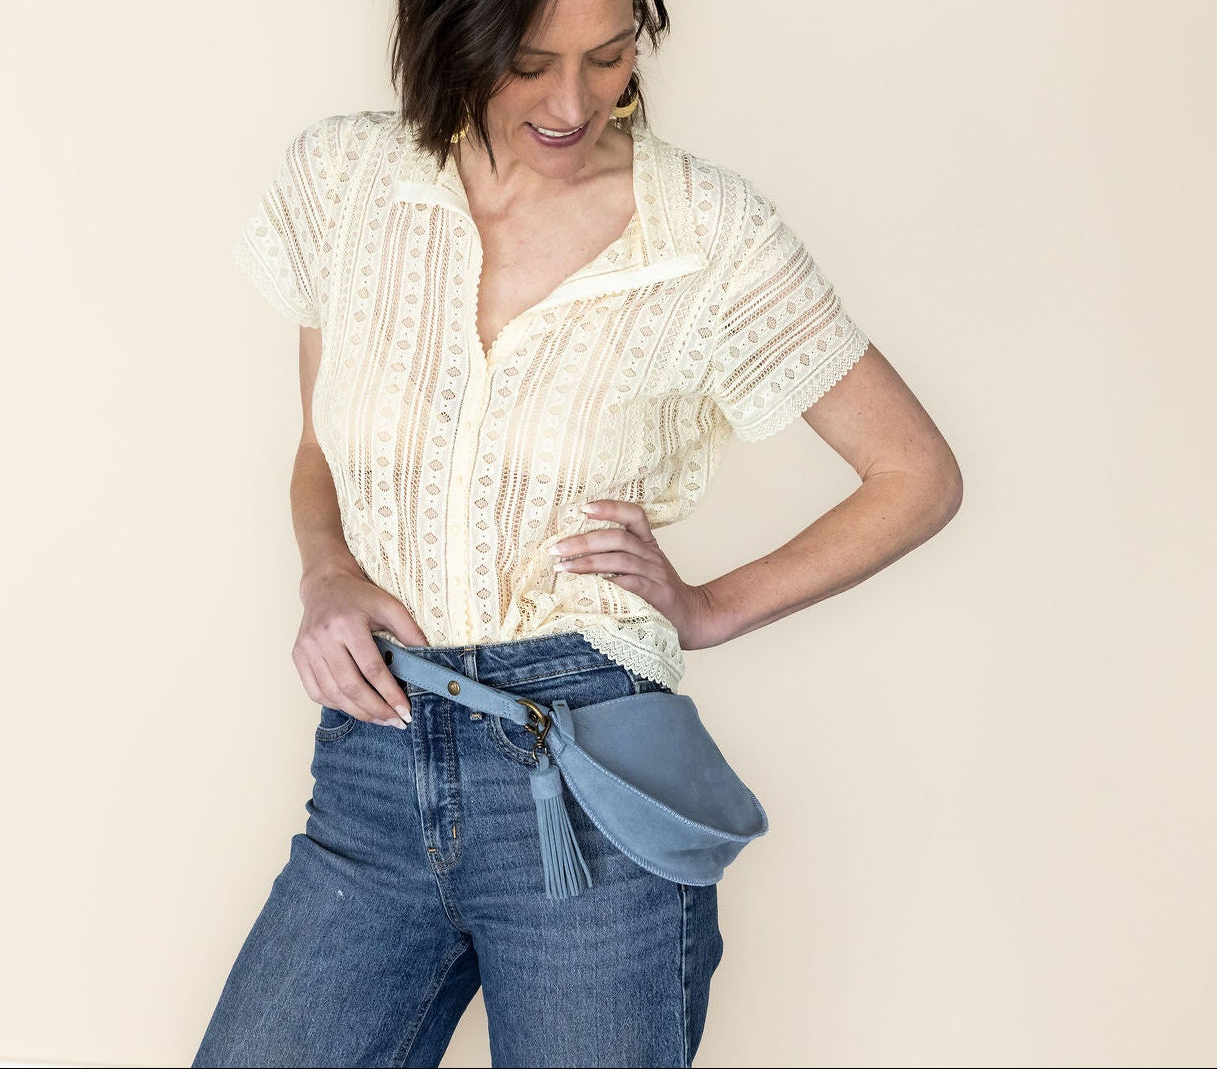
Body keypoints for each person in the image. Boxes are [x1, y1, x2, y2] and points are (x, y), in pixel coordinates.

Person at [194, 0, 962, 1065]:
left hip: (588, 774)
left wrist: (707, 607)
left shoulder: (708, 232)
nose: (574, 102)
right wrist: (325, 575)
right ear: (449, 43)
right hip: (375, 757)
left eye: (608, 59)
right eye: (530, 64)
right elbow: (321, 444)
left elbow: (914, 475)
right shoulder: (344, 184)